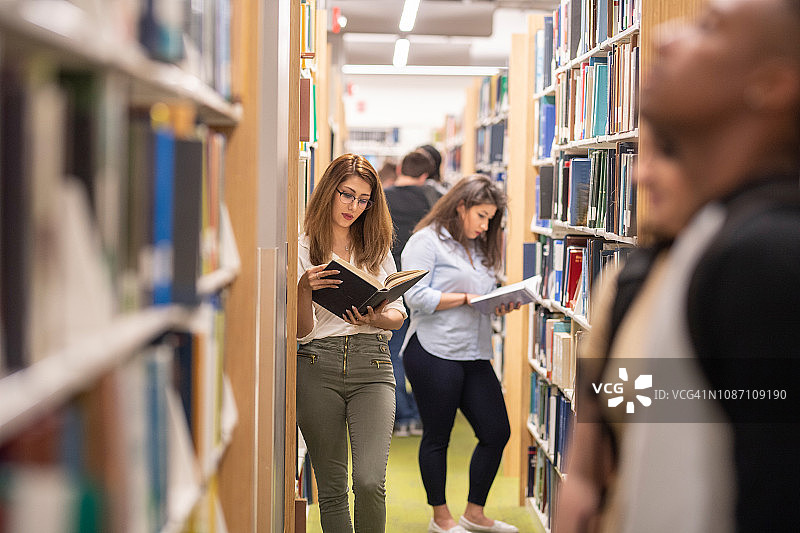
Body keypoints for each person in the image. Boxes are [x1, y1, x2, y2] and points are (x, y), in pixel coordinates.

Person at [561, 0, 800, 531]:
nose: (667, 38)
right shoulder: (686, 252)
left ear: (772, 84)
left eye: (710, 28)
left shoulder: (766, 259)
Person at [400, 175, 522, 533]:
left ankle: (474, 513)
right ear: (460, 207)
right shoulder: (426, 241)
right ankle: (441, 519)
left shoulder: (480, 246)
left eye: (491, 220)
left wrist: (497, 305)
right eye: (481, 217)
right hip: (434, 351)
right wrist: (467, 300)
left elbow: (483, 293)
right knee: (438, 436)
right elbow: (415, 297)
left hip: (475, 352)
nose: (485, 226)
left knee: (496, 430)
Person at [296, 153, 406, 532]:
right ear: (329, 190)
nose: (354, 207)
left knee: (370, 480)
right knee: (331, 489)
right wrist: (303, 289)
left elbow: (398, 314)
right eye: (347, 195)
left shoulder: (375, 246)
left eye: (364, 200)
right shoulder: (301, 246)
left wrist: (375, 317)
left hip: (372, 364)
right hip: (315, 366)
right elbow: (300, 333)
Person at [384, 149, 442, 437]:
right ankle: (422, 416)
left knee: (393, 353)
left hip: (391, 281)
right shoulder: (433, 199)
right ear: (424, 175)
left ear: (399, 168)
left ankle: (400, 416)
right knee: (424, 350)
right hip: (424, 281)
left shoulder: (382, 197)